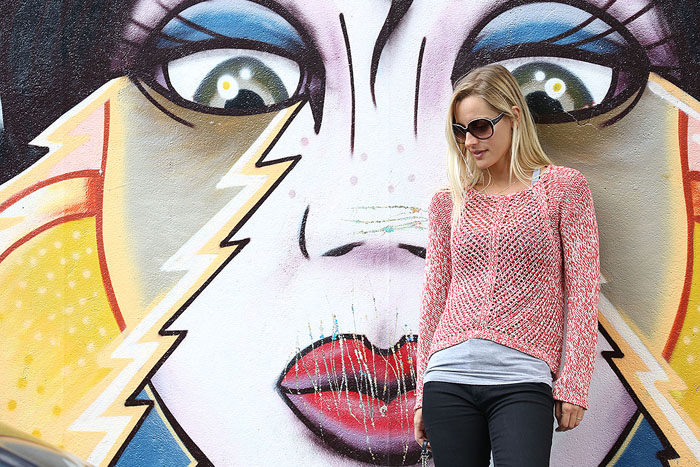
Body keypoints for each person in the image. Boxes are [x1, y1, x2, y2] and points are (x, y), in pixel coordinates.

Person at [413, 64, 601, 466]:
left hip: (523, 380)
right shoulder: (449, 201)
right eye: (460, 132)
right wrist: (420, 396)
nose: (470, 142)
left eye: (480, 127)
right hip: (447, 379)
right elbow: (434, 296)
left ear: (513, 117)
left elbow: (583, 291)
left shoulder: (563, 188)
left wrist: (574, 383)